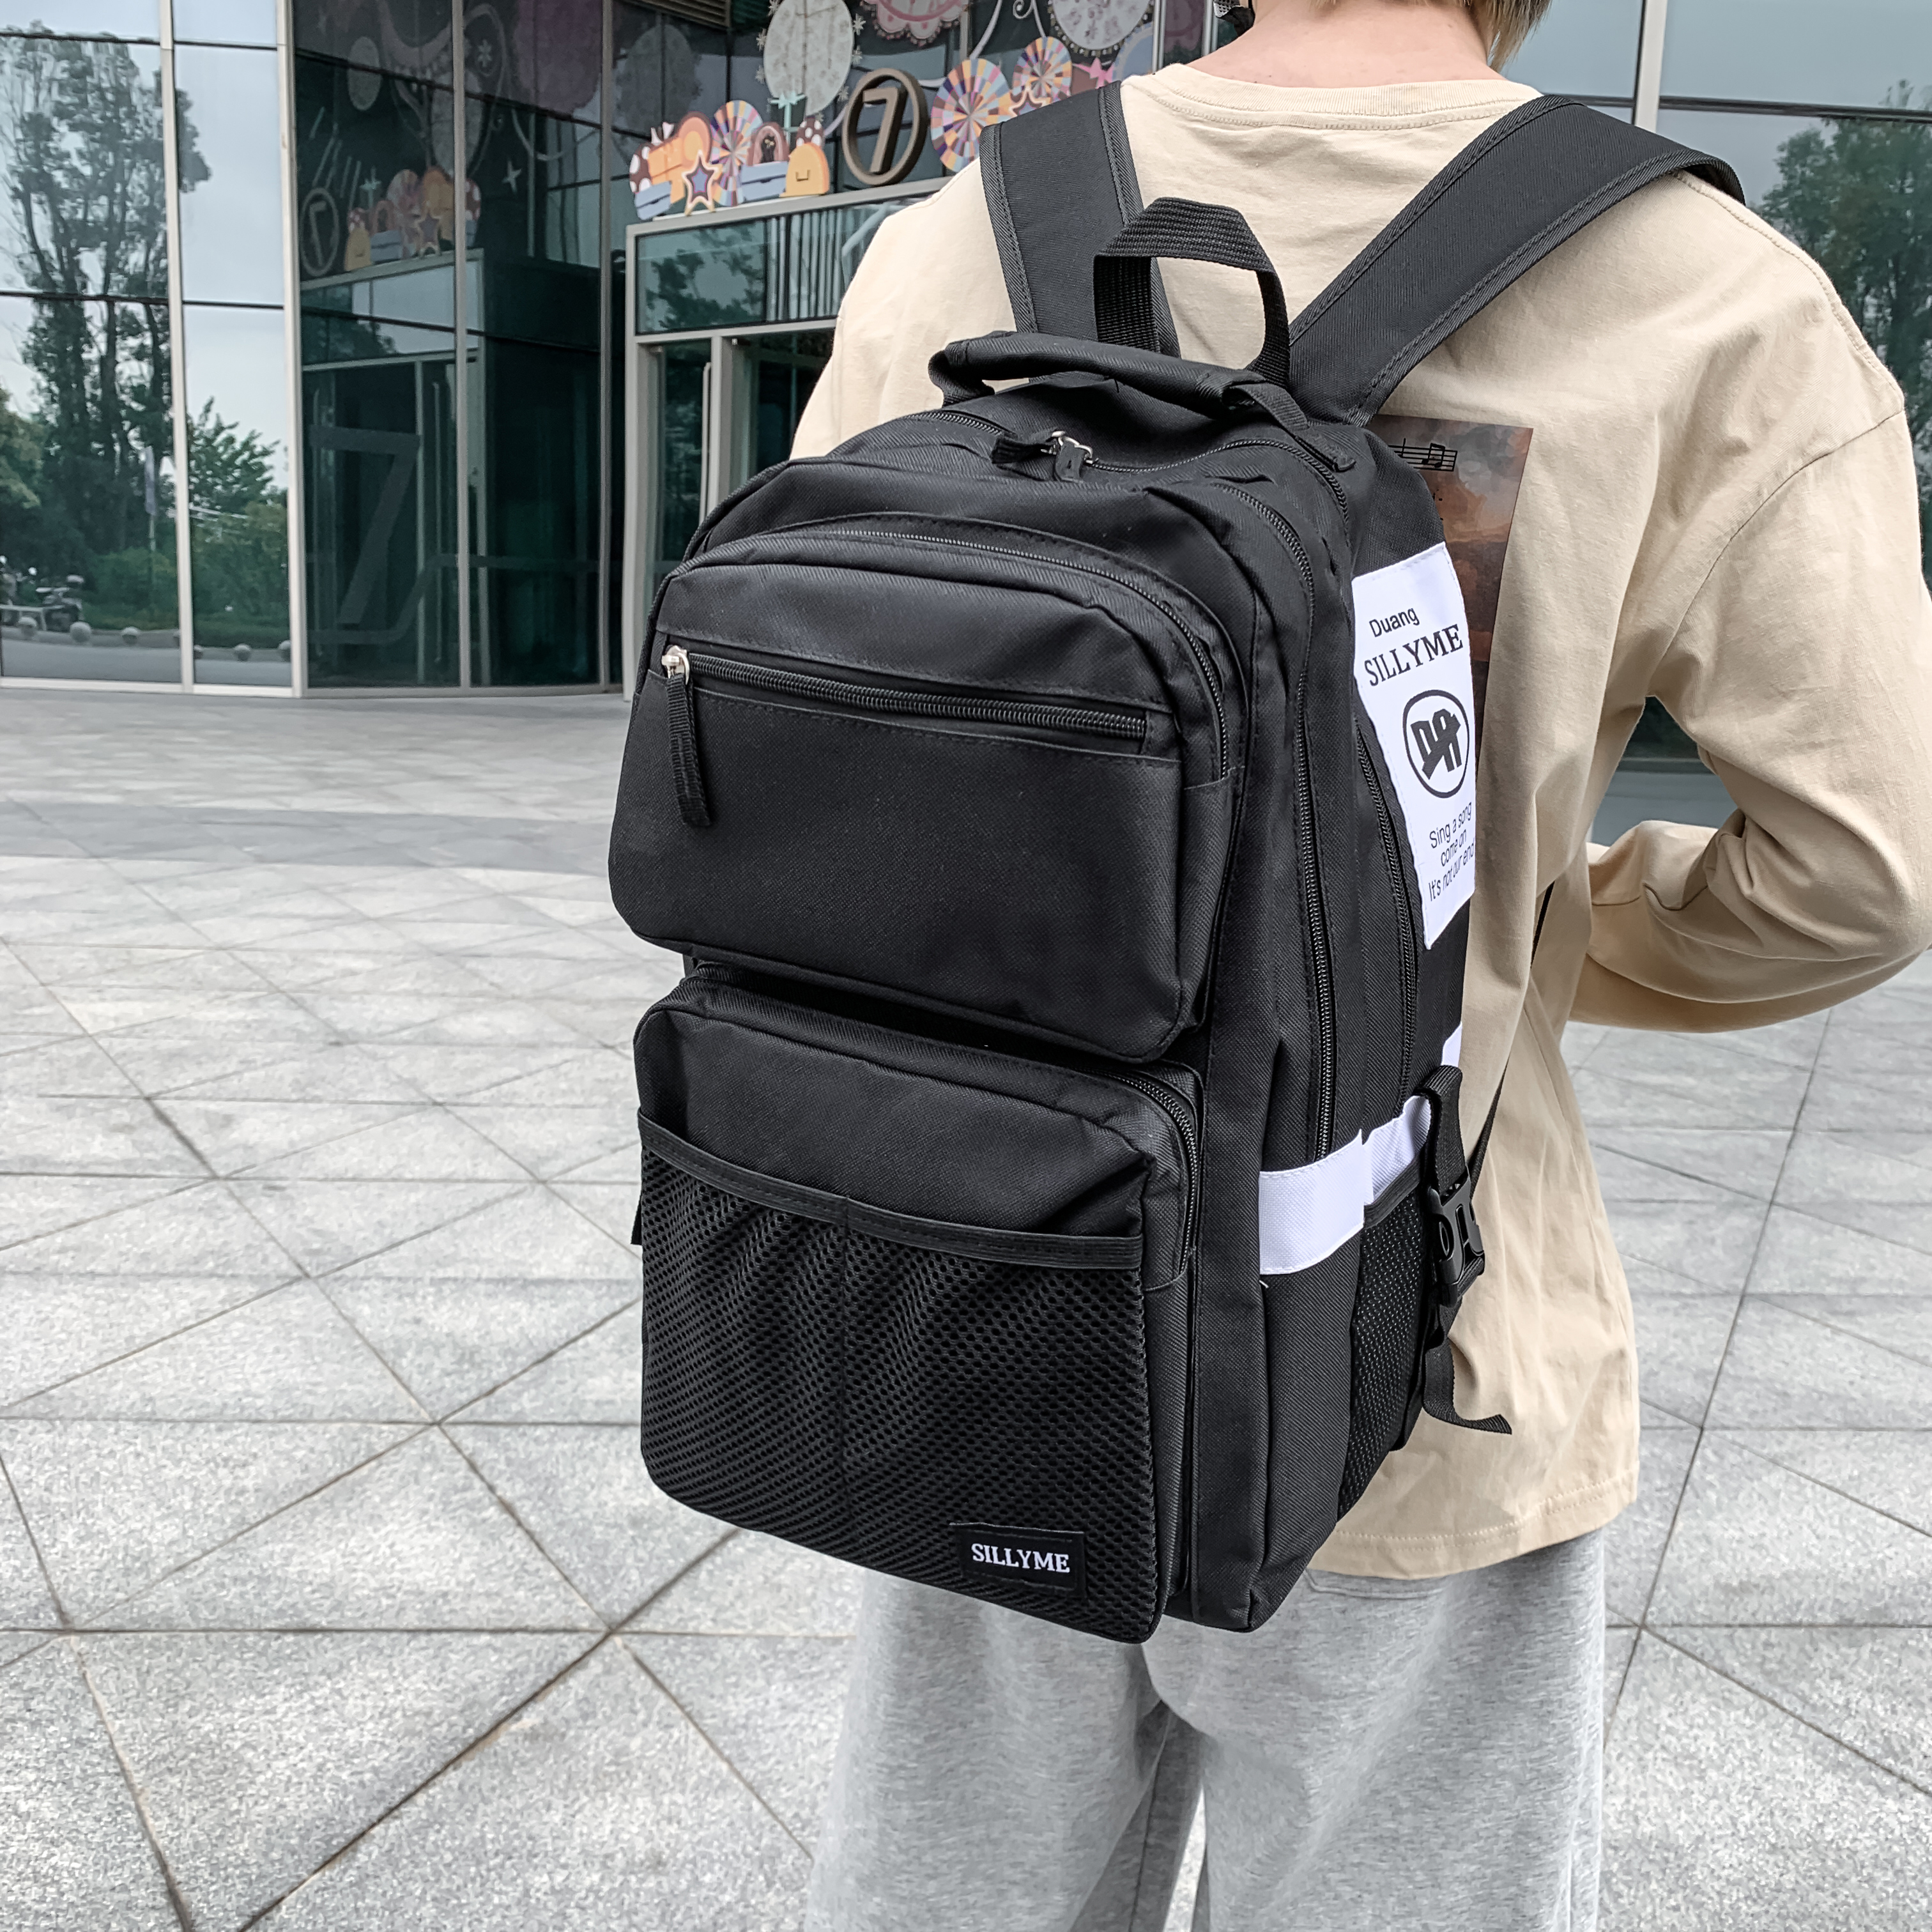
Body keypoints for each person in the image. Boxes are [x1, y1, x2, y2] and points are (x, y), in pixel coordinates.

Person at [789, 1, 1932, 1924]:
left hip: (984, 1280)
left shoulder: (959, 236)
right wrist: (1533, 933)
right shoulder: (1709, 294)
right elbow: (1865, 872)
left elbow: (821, 758)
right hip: (1418, 1346)